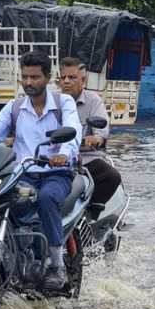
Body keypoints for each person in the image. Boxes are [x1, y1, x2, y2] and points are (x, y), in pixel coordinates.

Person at [0, 50, 83, 290]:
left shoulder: (64, 102)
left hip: (56, 174)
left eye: (35, 77)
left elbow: (73, 130)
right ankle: (7, 252)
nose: (29, 83)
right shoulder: (15, 107)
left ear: (48, 77)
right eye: (25, 77)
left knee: (46, 198)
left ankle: (56, 265)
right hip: (23, 175)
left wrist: (63, 153)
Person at [58, 57, 122, 206]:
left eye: (72, 77)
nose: (66, 81)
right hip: (56, 158)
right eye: (63, 77)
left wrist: (96, 138)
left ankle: (88, 213)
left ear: (83, 80)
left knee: (112, 177)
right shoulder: (51, 99)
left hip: (86, 157)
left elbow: (102, 129)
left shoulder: (93, 100)